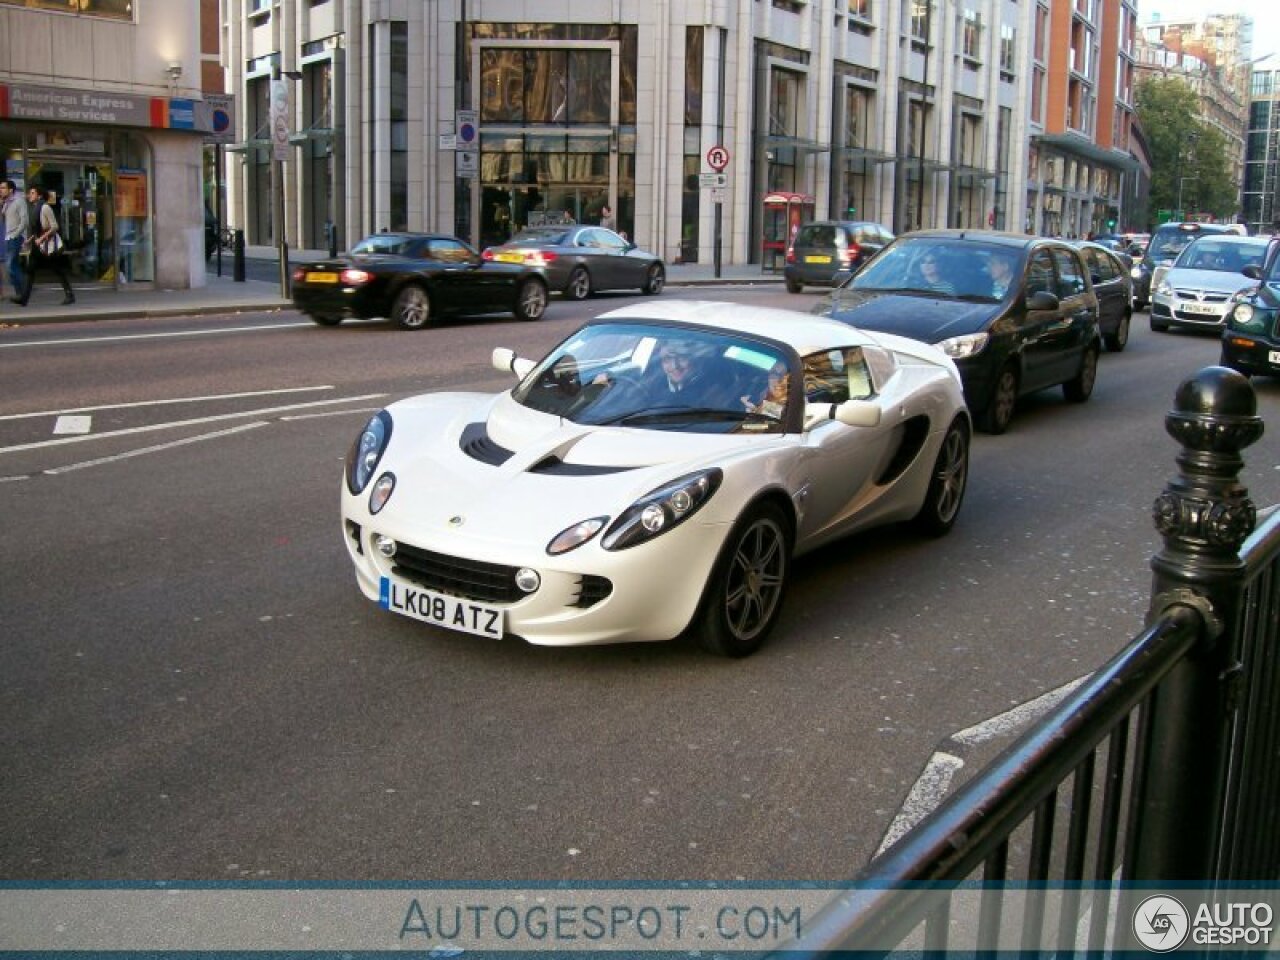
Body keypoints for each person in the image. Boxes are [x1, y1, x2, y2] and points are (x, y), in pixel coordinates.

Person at [11, 185, 75, 307]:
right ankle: (24, 298)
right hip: (39, 245)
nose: (30, 195)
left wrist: (40, 239)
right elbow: (37, 229)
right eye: (30, 193)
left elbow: (54, 226)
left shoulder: (45, 207)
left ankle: (69, 294)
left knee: (57, 269)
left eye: (33, 193)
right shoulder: (35, 208)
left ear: (39, 195)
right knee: (30, 269)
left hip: (48, 244)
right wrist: (30, 240)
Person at [1, 179, 26, 302]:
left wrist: (15, 235)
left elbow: (24, 221)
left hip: (14, 238)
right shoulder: (7, 202)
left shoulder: (19, 201)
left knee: (10, 266)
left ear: (11, 190)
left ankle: (22, 292)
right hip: (8, 237)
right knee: (13, 265)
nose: (1, 191)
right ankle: (20, 294)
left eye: (3, 188)